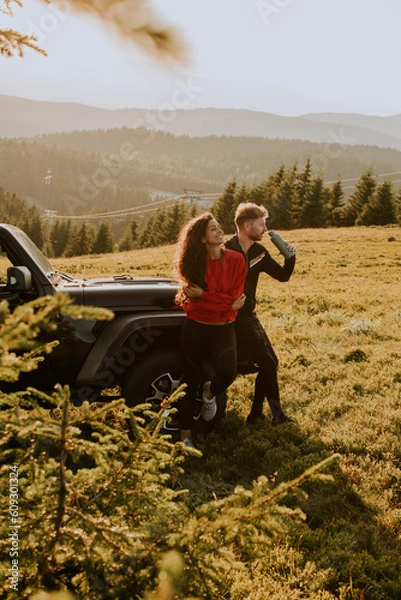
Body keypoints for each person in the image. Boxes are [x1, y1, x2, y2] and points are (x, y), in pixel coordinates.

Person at [175, 212, 247, 448]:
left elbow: (236, 297)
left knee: (228, 373)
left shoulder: (236, 260)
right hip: (196, 327)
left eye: (219, 226)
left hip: (223, 328)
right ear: (203, 239)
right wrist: (225, 303)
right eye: (213, 229)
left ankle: (209, 395)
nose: (219, 231)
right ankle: (185, 437)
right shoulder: (193, 264)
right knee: (189, 382)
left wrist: (207, 297)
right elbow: (194, 301)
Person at [225, 202, 297, 425]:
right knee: (267, 363)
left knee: (269, 363)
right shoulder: (225, 250)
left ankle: (257, 415)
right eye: (261, 224)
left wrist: (290, 257)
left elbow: (283, 276)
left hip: (248, 316)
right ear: (247, 226)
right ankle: (276, 416)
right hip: (232, 317)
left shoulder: (258, 253)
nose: (265, 229)